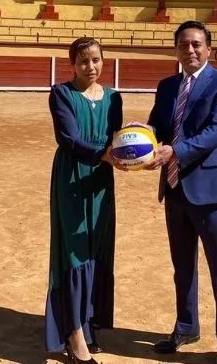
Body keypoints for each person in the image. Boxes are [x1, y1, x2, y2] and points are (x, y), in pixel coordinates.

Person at [145, 20, 217, 364]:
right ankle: (186, 327)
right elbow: (158, 124)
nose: (190, 50)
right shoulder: (167, 86)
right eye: (183, 44)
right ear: (176, 50)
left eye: (196, 44)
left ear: (208, 49)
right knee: (182, 267)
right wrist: (140, 139)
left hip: (212, 191)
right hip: (175, 188)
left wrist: (175, 151)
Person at [45, 37, 123, 364]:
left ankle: (88, 324)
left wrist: (134, 152)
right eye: (82, 61)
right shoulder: (61, 94)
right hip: (72, 177)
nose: (90, 67)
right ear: (72, 64)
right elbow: (69, 138)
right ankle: (74, 334)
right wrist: (105, 154)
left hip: (101, 180)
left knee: (97, 245)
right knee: (75, 250)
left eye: (95, 60)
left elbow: (117, 139)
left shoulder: (114, 97)